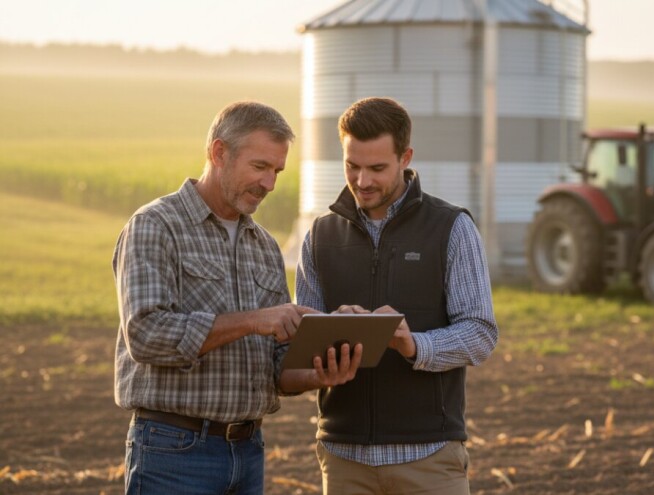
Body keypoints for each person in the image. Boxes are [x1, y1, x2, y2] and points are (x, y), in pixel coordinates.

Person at [112, 100, 360, 495]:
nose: (270, 184)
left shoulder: (263, 245)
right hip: (173, 452)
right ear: (218, 153)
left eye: (277, 171)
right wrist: (254, 319)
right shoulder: (155, 226)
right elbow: (144, 334)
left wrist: (320, 372)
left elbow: (277, 367)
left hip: (248, 453)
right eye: (260, 167)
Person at [293, 97, 499, 494]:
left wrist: (413, 345)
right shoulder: (320, 237)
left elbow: (480, 333)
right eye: (352, 166)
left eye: (377, 168)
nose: (362, 181)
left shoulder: (451, 228)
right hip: (343, 459)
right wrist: (330, 335)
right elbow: (300, 345)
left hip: (431, 459)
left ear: (405, 157)